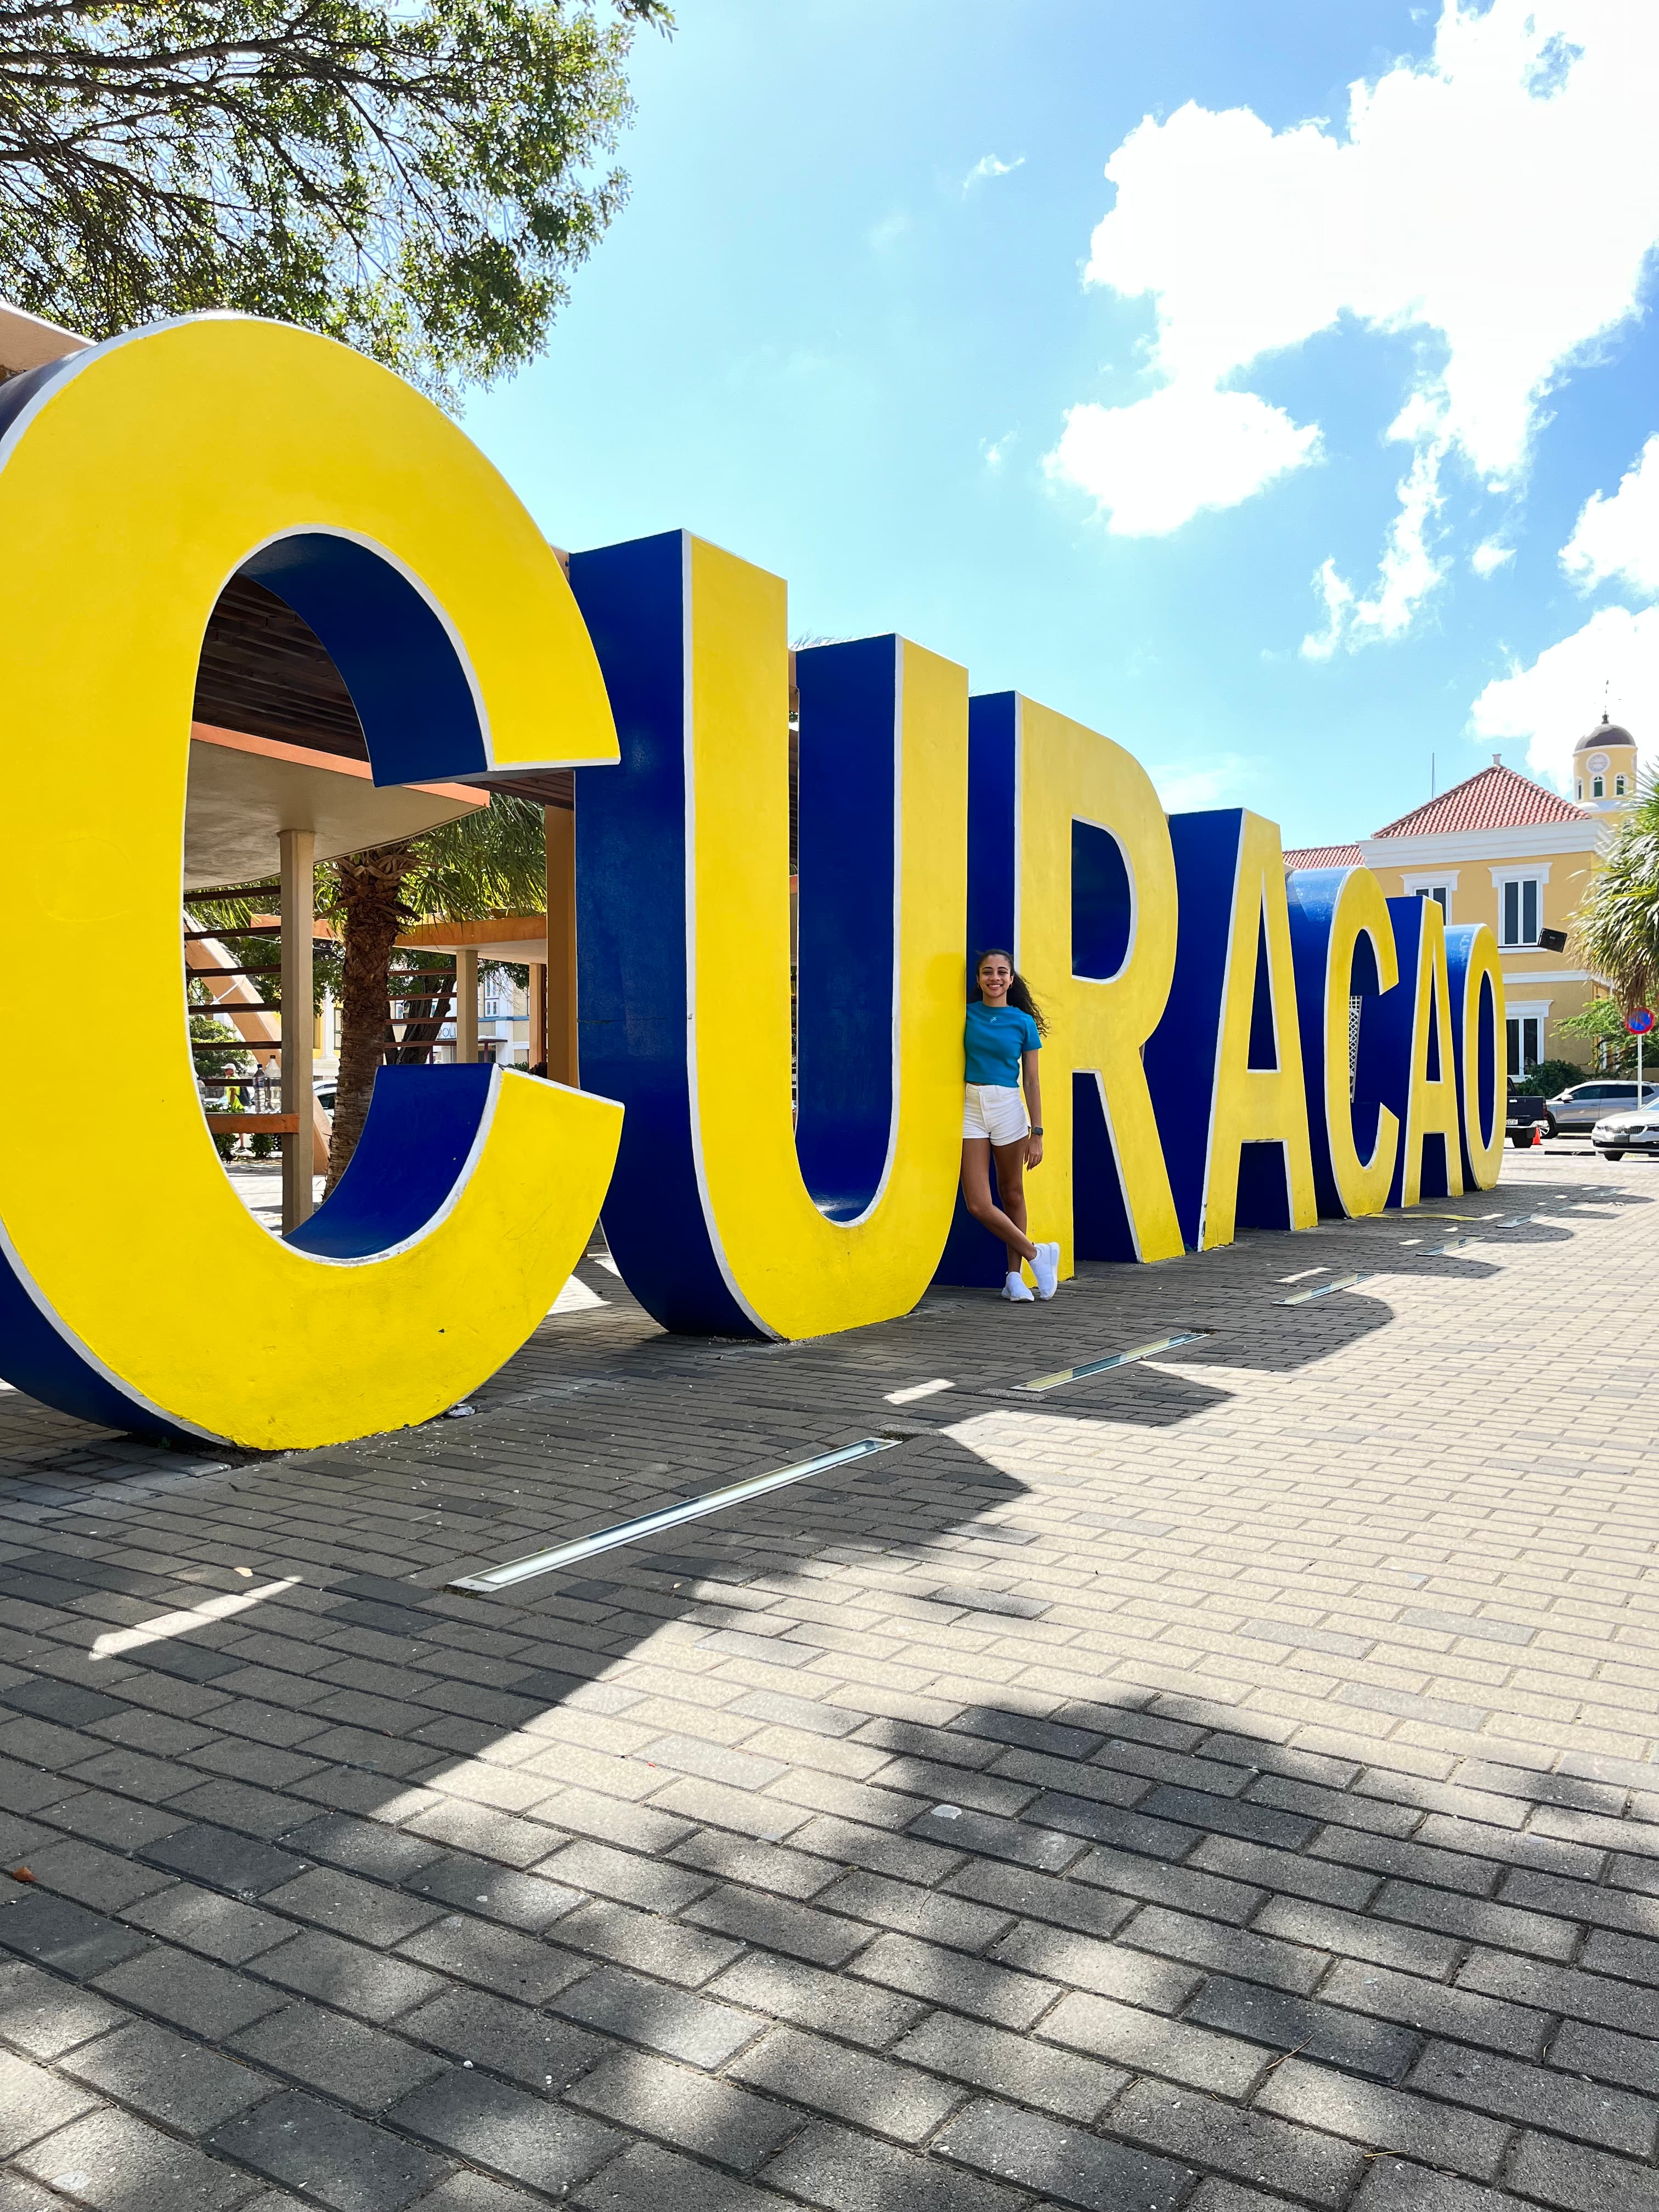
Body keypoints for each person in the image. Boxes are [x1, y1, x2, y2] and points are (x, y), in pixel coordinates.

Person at [961, 949, 1061, 1302]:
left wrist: (1038, 1132)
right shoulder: (964, 1015)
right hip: (969, 1107)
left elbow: (1032, 1081)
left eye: (1002, 972)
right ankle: (1037, 1253)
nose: (995, 978)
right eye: (987, 972)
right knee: (978, 1203)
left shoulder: (1023, 1023)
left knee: (1012, 1192)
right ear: (978, 979)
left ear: (1011, 980)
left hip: (1008, 1108)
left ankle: (1014, 1278)